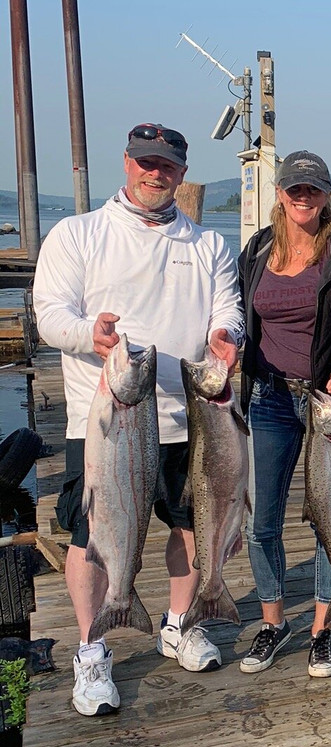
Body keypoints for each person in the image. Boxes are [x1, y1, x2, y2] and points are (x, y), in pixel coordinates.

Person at [34, 123, 244, 716]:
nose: (156, 173)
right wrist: (88, 334)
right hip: (103, 425)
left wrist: (228, 336)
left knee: (187, 528)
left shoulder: (209, 245)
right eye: (146, 162)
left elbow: (227, 307)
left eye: (168, 165)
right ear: (126, 163)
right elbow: (49, 316)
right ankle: (92, 648)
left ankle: (178, 623)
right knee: (93, 535)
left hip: (189, 420)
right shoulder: (79, 234)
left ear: (182, 172)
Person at [236, 150, 331, 678]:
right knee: (261, 521)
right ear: (279, 193)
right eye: (294, 188)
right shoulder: (255, 251)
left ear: (326, 195)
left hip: (328, 406)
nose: (302, 197)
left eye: (312, 189)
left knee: (328, 519)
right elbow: (241, 316)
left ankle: (321, 630)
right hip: (268, 397)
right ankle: (274, 622)